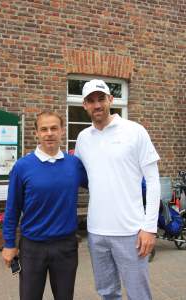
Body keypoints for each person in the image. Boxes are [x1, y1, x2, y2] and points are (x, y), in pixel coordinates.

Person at [75, 79, 161, 300]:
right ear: (84, 105)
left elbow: (153, 181)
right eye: (91, 101)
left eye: (101, 99)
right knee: (107, 293)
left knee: (138, 294)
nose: (97, 105)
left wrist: (150, 228)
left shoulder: (135, 131)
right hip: (96, 233)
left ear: (110, 100)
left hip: (131, 232)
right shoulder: (83, 139)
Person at [2, 111, 87, 300]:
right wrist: (9, 244)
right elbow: (12, 208)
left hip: (66, 246)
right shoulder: (22, 167)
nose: (49, 133)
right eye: (44, 129)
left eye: (54, 128)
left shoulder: (74, 165)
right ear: (37, 133)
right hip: (32, 247)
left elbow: (102, 183)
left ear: (62, 131)